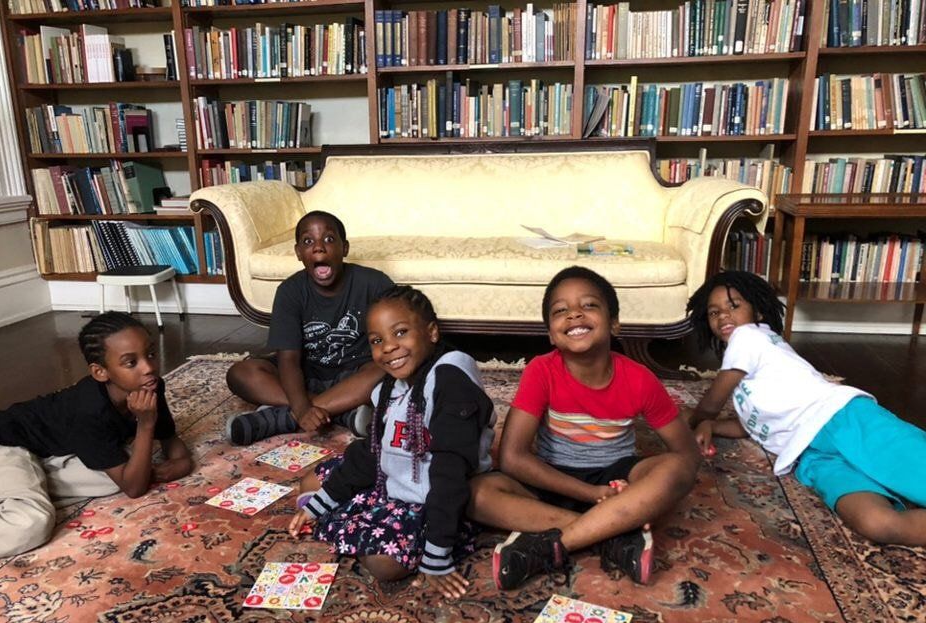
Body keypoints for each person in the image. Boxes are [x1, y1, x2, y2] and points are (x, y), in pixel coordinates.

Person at [469, 266, 700, 590]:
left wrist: (631, 490)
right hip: (554, 479)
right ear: (551, 333)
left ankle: (553, 544)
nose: (575, 314)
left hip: (617, 479)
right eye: (560, 310)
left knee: (677, 469)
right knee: (475, 493)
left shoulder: (639, 379)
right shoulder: (541, 370)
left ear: (615, 323)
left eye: (589, 305)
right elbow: (513, 458)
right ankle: (611, 534)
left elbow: (686, 453)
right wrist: (593, 495)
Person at [687, 270, 926, 546]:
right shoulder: (749, 370)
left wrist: (693, 418)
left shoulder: (748, 338)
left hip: (841, 419)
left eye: (734, 305)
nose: (723, 316)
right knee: (877, 523)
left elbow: (711, 404)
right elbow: (750, 426)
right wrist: (711, 426)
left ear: (759, 313)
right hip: (808, 455)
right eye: (714, 312)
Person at [288, 285, 496, 599]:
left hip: (437, 497)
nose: (388, 348)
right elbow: (373, 454)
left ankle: (447, 535)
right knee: (309, 486)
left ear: (432, 332)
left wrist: (437, 555)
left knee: (382, 564)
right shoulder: (390, 386)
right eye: (377, 341)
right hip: (395, 477)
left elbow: (449, 472)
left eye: (400, 333)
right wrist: (320, 505)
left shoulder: (451, 383)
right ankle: (344, 511)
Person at [0, 311, 193, 562]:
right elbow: (135, 489)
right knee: (31, 522)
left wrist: (183, 463)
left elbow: (173, 446)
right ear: (100, 372)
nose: (149, 367)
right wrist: (145, 424)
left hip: (46, 456)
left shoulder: (149, 386)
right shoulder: (87, 411)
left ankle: (9, 488)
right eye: (131, 363)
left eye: (150, 354)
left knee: (120, 472)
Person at [225, 210, 393, 445]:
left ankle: (283, 417)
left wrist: (303, 409)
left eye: (329, 239)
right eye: (308, 241)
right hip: (305, 376)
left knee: (388, 369)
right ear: (298, 253)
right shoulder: (290, 291)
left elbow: (393, 339)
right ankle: (343, 413)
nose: (319, 248)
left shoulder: (374, 283)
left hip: (356, 375)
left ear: (344, 248)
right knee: (240, 374)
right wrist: (302, 405)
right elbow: (288, 360)